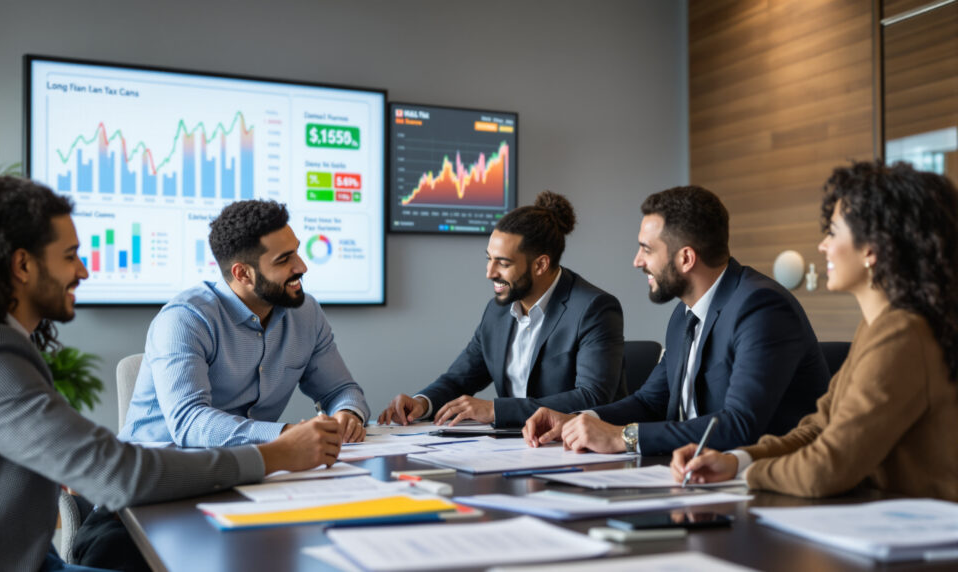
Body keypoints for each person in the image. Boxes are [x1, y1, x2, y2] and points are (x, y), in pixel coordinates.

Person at [0, 177, 342, 572]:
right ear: (22, 265)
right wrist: (276, 454)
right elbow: (119, 472)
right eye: (69, 255)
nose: (83, 271)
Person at [672, 162, 958, 501]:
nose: (823, 246)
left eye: (833, 233)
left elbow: (828, 467)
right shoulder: (877, 326)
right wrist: (737, 460)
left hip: (919, 537)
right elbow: (819, 427)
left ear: (871, 248)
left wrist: (747, 474)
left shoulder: (903, 333)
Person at [523, 186, 829, 454]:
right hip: (691, 474)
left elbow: (739, 425)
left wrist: (625, 437)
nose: (637, 261)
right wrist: (581, 419)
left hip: (762, 484)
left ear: (685, 258)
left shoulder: (761, 308)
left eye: (646, 249)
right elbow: (650, 402)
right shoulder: (685, 313)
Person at [119, 200, 370, 446]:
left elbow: (340, 390)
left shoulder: (306, 313)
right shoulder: (184, 319)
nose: (301, 266)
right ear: (242, 274)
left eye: (296, 251)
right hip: (159, 469)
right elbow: (190, 422)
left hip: (249, 466)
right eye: (284, 260)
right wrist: (288, 435)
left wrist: (348, 414)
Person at [378, 191, 627, 429]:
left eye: (503, 263)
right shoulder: (497, 311)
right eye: (489, 258)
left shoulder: (593, 309)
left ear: (540, 264)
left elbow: (592, 397)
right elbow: (459, 379)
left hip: (578, 449)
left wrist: (497, 410)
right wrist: (422, 402)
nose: (490, 273)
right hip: (515, 447)